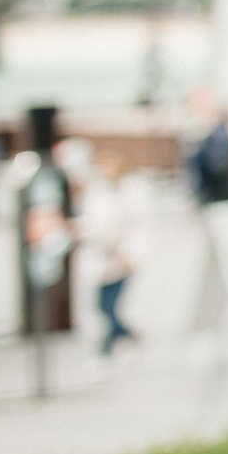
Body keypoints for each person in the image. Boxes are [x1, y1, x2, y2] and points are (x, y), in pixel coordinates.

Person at [80, 146, 145, 355]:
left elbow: (134, 227)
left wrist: (130, 254)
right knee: (102, 305)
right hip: (104, 258)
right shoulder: (100, 192)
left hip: (120, 258)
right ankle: (120, 337)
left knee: (107, 305)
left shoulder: (128, 192)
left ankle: (114, 341)